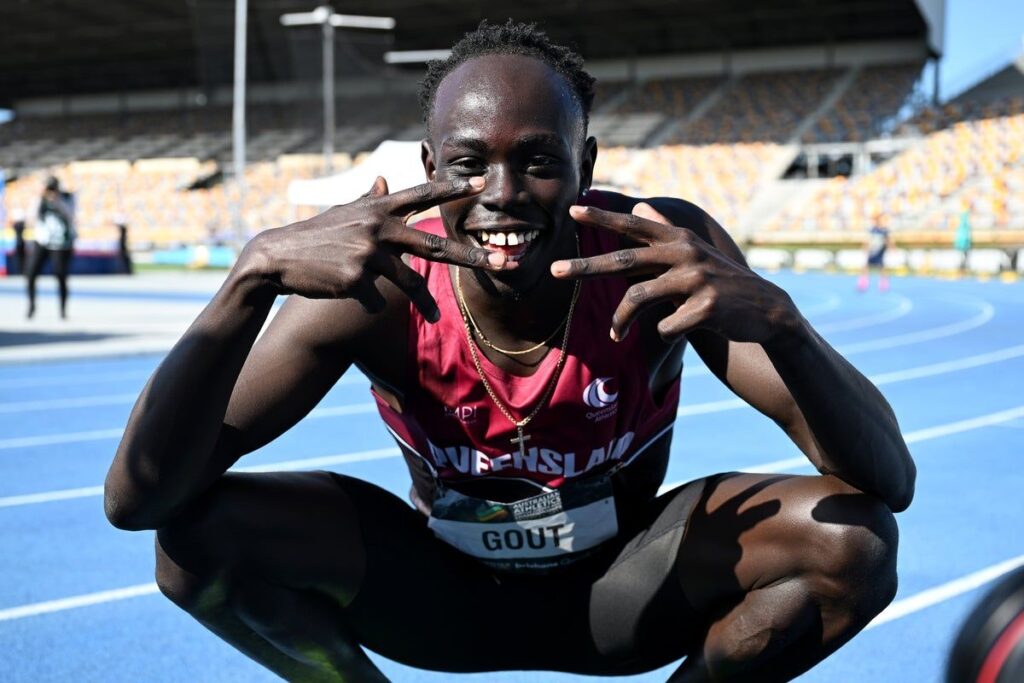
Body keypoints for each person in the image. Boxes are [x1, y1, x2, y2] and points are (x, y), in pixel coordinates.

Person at [105, 21, 915, 682]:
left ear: (585, 164)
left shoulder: (658, 252)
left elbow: (890, 480)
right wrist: (249, 277)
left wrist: (785, 324)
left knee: (853, 542)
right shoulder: (382, 280)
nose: (502, 194)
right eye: (469, 164)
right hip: (442, 596)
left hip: (622, 589)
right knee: (193, 541)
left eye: (538, 161)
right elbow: (137, 499)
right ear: (429, 167)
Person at [25, 176, 76, 319]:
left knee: (61, 275)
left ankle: (63, 310)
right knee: (31, 273)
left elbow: (71, 216)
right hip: (42, 241)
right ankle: (31, 305)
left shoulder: (67, 198)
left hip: (61, 243)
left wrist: (58, 201)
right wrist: (40, 197)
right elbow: (30, 218)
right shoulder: (39, 200)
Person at [857, 212, 892, 292]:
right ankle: (863, 283)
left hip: (880, 251)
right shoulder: (872, 230)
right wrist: (865, 247)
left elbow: (888, 240)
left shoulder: (884, 231)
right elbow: (867, 239)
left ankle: (884, 283)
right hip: (872, 250)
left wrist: (891, 247)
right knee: (866, 266)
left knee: (882, 267)